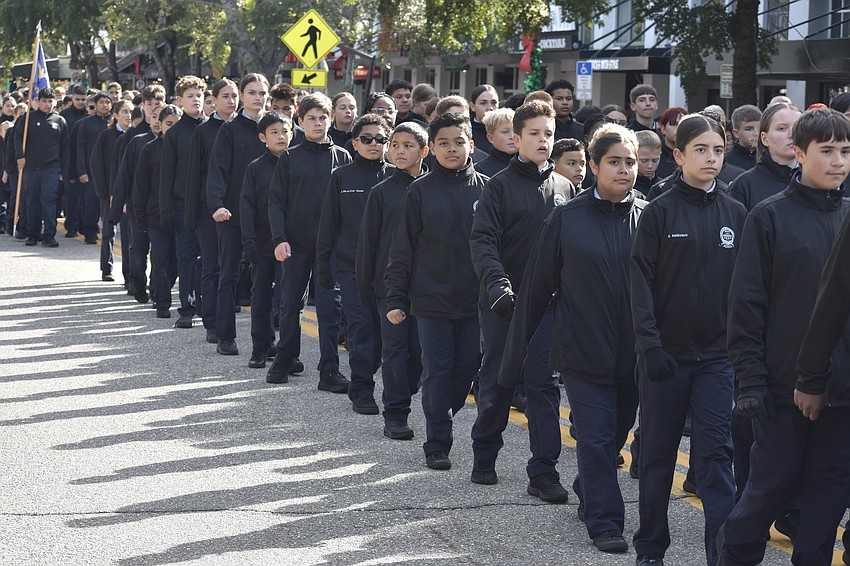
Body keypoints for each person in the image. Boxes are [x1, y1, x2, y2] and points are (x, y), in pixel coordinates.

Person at [502, 122, 644, 554]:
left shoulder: (651, 215)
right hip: (582, 349)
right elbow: (537, 286)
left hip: (634, 355)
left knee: (615, 436)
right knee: (596, 438)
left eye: (630, 162)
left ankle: (589, 484)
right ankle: (605, 521)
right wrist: (513, 357)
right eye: (614, 162)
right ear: (595, 166)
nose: (623, 170)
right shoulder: (568, 216)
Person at [719, 107, 850, 566]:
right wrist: (750, 382)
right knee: (767, 491)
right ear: (798, 153)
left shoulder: (848, 216)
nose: (838, 162)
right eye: (827, 151)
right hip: (781, 390)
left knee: (827, 500)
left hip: (842, 395)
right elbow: (746, 307)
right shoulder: (769, 217)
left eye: (846, 151)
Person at [630, 114, 747, 566]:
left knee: (716, 458)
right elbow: (639, 285)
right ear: (678, 156)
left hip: (717, 360)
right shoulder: (658, 211)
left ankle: (720, 554)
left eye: (718, 150)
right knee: (658, 458)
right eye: (701, 150)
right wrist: (650, 345)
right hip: (665, 358)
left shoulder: (736, 214)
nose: (711, 158)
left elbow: (746, 291)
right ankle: (651, 548)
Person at [467, 101, 575, 496]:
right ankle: (484, 452)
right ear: (516, 139)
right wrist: (496, 284)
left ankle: (544, 471)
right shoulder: (497, 186)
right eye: (535, 134)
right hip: (504, 303)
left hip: (548, 306)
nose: (543, 140)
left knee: (544, 385)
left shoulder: (566, 187)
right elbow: (483, 240)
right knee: (499, 379)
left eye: (549, 134)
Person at [384, 112, 488, 471]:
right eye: (443, 142)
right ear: (431, 149)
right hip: (431, 301)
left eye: (459, 141)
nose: (451, 148)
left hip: (477, 303)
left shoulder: (488, 189)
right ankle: (437, 442)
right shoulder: (419, 191)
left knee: (465, 371)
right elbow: (402, 250)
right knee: (437, 372)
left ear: (471, 145)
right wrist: (396, 298)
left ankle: (442, 409)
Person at [266, 92, 351, 387]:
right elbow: (276, 202)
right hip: (296, 245)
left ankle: (329, 370)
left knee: (330, 310)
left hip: (331, 249)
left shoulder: (343, 157)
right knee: (290, 306)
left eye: (323, 117)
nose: (318, 123)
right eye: (311, 118)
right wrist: (279, 238)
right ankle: (286, 357)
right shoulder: (290, 157)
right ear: (300, 121)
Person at [316, 113, 394, 412]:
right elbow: (328, 224)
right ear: (354, 143)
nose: (373, 144)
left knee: (384, 334)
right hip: (350, 266)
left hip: (389, 269)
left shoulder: (396, 175)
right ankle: (362, 389)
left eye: (379, 139)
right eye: (366, 139)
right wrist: (324, 265)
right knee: (361, 328)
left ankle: (382, 380)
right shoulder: (341, 176)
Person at [356, 122, 429, 439]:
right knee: (395, 352)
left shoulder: (431, 188)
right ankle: (396, 413)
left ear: (424, 151)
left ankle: (407, 389)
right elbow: (368, 245)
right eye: (395, 145)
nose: (400, 151)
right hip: (390, 289)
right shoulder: (382, 192)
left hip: (427, 288)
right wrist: (367, 290)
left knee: (418, 355)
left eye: (408, 145)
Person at [206, 72, 269, 354]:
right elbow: (217, 171)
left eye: (262, 93)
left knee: (264, 280)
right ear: (241, 96)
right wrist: (217, 204)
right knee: (228, 274)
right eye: (252, 92)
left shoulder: (276, 128)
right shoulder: (229, 131)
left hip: (266, 215)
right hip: (231, 214)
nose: (258, 97)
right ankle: (225, 336)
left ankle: (265, 342)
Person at [185, 78, 239, 344]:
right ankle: (212, 321)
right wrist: (192, 214)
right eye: (225, 96)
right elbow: (195, 174)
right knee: (212, 266)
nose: (231, 101)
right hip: (208, 211)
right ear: (214, 100)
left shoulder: (245, 128)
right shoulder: (204, 131)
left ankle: (227, 314)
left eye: (234, 96)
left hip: (238, 209)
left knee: (232, 268)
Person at [240, 111, 291, 369]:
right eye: (274, 133)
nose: (281, 137)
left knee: (288, 299)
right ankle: (260, 347)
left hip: (292, 245)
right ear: (263, 137)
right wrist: (248, 242)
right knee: (260, 296)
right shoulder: (256, 168)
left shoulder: (296, 162)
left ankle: (286, 352)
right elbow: (247, 206)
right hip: (262, 243)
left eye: (285, 131)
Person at [109, 84, 166, 303]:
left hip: (161, 204)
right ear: (142, 106)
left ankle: (159, 290)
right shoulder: (133, 137)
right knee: (137, 250)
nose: (153, 108)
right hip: (136, 203)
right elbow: (123, 172)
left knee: (161, 252)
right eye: (149, 103)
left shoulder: (170, 133)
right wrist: (120, 202)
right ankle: (138, 283)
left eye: (157, 103)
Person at [159, 75, 207, 329]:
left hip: (208, 206)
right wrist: (165, 209)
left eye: (199, 95)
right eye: (190, 96)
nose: (196, 99)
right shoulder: (175, 134)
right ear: (180, 100)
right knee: (187, 258)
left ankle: (206, 306)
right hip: (181, 206)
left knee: (208, 260)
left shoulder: (213, 128)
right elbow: (166, 174)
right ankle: (186, 308)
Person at [134, 105, 181, 318]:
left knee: (175, 262)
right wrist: (140, 216)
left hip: (180, 213)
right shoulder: (149, 150)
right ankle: (162, 301)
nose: (172, 129)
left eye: (176, 125)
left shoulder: (185, 148)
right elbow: (141, 186)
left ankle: (159, 288)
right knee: (160, 258)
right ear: (159, 125)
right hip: (155, 214)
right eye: (168, 124)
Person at [15, 87, 69, 248]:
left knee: (49, 201)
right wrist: (20, 156)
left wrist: (63, 170)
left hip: (51, 168)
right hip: (31, 167)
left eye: (50, 101)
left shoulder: (59, 121)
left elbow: (65, 147)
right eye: (44, 101)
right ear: (38, 101)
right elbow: (17, 137)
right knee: (32, 202)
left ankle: (49, 235)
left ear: (54, 102)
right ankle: (33, 234)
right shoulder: (27, 119)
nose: (47, 104)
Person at [91, 99, 133, 283]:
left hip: (129, 194)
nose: (128, 115)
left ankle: (130, 273)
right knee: (109, 231)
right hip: (109, 192)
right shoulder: (106, 136)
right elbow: (96, 164)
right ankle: (106, 268)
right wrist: (104, 192)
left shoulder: (135, 136)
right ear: (116, 115)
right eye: (124, 111)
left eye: (131, 111)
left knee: (129, 235)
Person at [729, 102, 801, 211]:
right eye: (782, 128)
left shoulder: (817, 181)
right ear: (764, 138)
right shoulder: (745, 185)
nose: (792, 135)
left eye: (797, 127)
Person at [60, 85, 88, 238]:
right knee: (71, 198)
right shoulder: (64, 115)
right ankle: (71, 226)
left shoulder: (89, 115)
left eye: (83, 99)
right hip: (69, 162)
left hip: (84, 162)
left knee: (86, 198)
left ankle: (84, 225)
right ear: (72, 98)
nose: (80, 102)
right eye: (77, 99)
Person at [474, 108, 517, 177]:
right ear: (491, 138)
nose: (512, 136)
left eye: (516, 131)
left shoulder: (531, 164)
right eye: (505, 132)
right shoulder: (480, 170)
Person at [725, 105, 761, 171]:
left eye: (759, 128)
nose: (756, 133)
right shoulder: (726, 161)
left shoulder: (769, 159)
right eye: (749, 129)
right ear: (736, 133)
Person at [656, 107, 687, 179]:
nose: (679, 128)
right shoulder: (656, 156)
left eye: (682, 124)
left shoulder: (692, 155)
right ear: (663, 129)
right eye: (674, 124)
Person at [469, 84, 499, 154]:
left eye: (494, 103)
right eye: (483, 103)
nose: (490, 107)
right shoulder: (466, 130)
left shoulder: (507, 129)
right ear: (473, 106)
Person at [634, 130, 662, 196]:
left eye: (655, 160)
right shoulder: (626, 186)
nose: (650, 166)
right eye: (644, 161)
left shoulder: (664, 186)